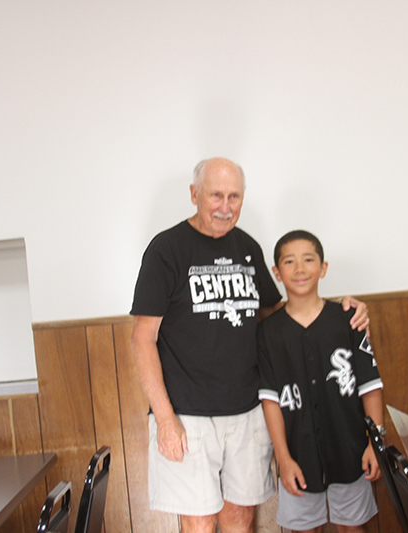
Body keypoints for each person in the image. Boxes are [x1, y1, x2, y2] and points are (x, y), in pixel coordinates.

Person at [130, 158, 369, 533]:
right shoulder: (166, 250)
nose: (225, 207)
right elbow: (142, 339)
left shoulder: (247, 248)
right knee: (199, 521)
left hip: (247, 409)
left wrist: (340, 309)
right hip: (187, 414)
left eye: (234, 197)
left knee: (241, 518)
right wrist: (164, 418)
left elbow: (280, 315)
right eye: (216, 196)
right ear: (195, 195)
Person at [257, 230, 384, 533]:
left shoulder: (348, 319)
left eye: (308, 260)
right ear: (277, 272)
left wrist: (375, 443)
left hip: (351, 449)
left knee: (352, 527)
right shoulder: (267, 333)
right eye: (289, 262)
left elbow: (370, 386)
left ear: (323, 268)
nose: (299, 269)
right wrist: (283, 458)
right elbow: (270, 401)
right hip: (297, 455)